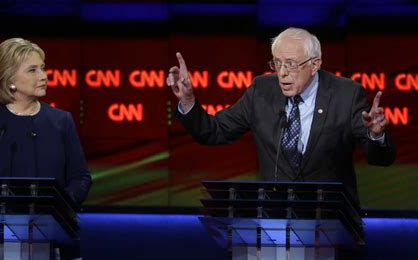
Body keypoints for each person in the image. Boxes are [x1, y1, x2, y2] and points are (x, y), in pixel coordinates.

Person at [166, 27, 395, 206]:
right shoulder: (261, 90)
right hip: (272, 220)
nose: (282, 73)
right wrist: (187, 101)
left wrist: (376, 135)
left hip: (330, 220)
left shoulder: (346, 94)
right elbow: (214, 131)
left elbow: (379, 159)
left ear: (315, 64)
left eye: (291, 64)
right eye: (277, 63)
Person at [0, 38, 92, 205]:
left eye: (43, 68)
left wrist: (62, 205)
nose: (43, 76)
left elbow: (80, 177)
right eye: (32, 70)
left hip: (52, 225)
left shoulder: (61, 121)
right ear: (10, 79)